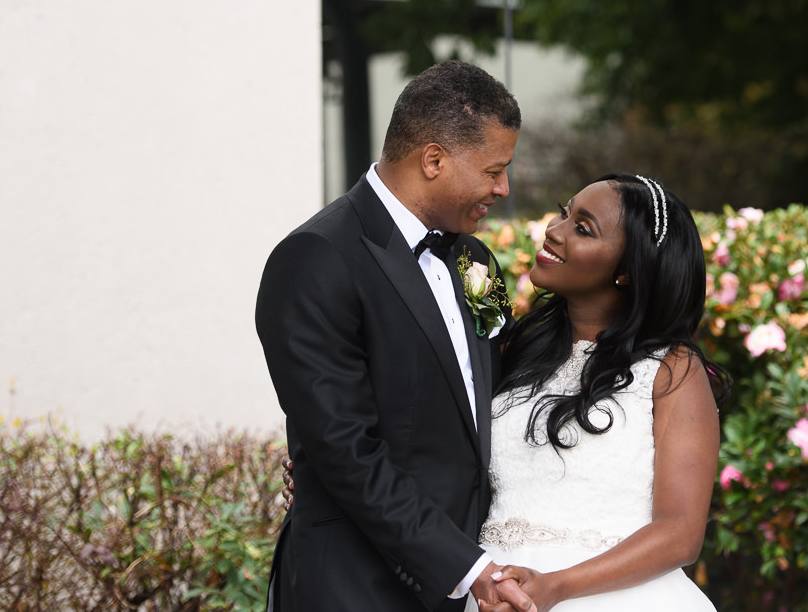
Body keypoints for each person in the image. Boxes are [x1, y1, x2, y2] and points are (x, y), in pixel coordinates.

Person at [285, 173, 729, 611]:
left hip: (607, 596)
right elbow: (433, 429)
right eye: (563, 213)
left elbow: (681, 533)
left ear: (630, 272)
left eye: (582, 228)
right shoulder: (515, 347)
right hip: (490, 592)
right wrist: (326, 475)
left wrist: (557, 586)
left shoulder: (672, 371)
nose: (552, 231)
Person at [256, 60, 534, 612]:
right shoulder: (315, 259)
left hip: (467, 579)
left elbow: (503, 391)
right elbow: (346, 452)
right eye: (493, 170)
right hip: (356, 585)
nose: (503, 188)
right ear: (434, 159)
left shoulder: (476, 259)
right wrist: (467, 567)